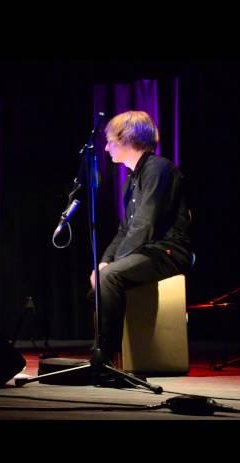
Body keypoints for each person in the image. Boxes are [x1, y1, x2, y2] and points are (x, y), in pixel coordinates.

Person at [91, 111, 192, 363]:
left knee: (109, 276)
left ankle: (106, 357)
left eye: (111, 140)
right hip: (146, 251)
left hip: (168, 251)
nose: (106, 147)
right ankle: (108, 353)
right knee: (101, 277)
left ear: (127, 139)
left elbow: (145, 224)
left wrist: (111, 267)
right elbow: (125, 229)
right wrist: (104, 260)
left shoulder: (158, 169)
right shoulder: (131, 181)